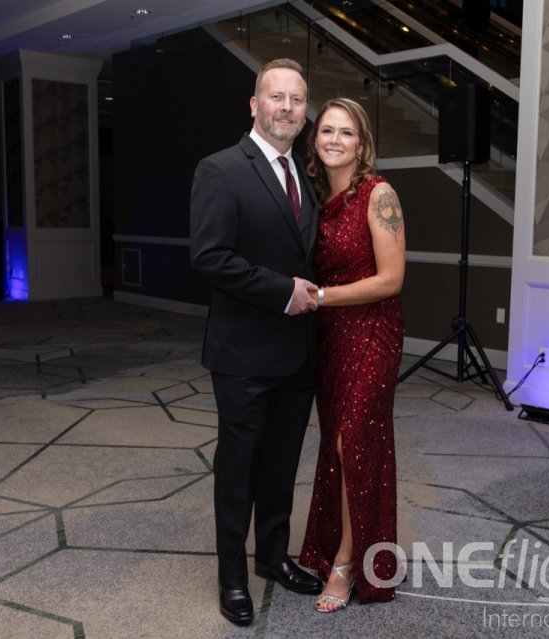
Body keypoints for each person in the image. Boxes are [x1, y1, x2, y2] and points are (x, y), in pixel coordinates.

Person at [189, 58, 324, 627]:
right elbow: (210, 257)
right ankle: (232, 577)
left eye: (296, 99)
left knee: (282, 463)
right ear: (255, 104)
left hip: (298, 353)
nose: (286, 107)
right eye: (276, 96)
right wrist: (282, 292)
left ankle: (272, 556)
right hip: (243, 354)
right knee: (238, 469)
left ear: (304, 111)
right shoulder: (220, 169)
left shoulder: (307, 177)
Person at [298, 97, 406, 612]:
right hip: (331, 338)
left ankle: (345, 563)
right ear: (315, 140)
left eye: (346, 132)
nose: (335, 140)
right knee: (336, 443)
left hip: (373, 332)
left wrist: (321, 297)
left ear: (362, 144)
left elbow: (391, 279)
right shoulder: (314, 197)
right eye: (327, 131)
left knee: (354, 442)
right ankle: (335, 546)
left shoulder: (378, 194)